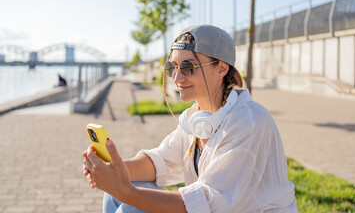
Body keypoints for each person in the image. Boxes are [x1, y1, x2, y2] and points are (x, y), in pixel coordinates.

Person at [82, 25, 299, 213]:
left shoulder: (249, 121)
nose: (176, 78)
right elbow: (161, 162)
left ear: (222, 68)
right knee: (114, 195)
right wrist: (113, 170)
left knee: (130, 203)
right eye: (172, 67)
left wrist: (125, 191)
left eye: (188, 67)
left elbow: (206, 204)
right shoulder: (196, 118)